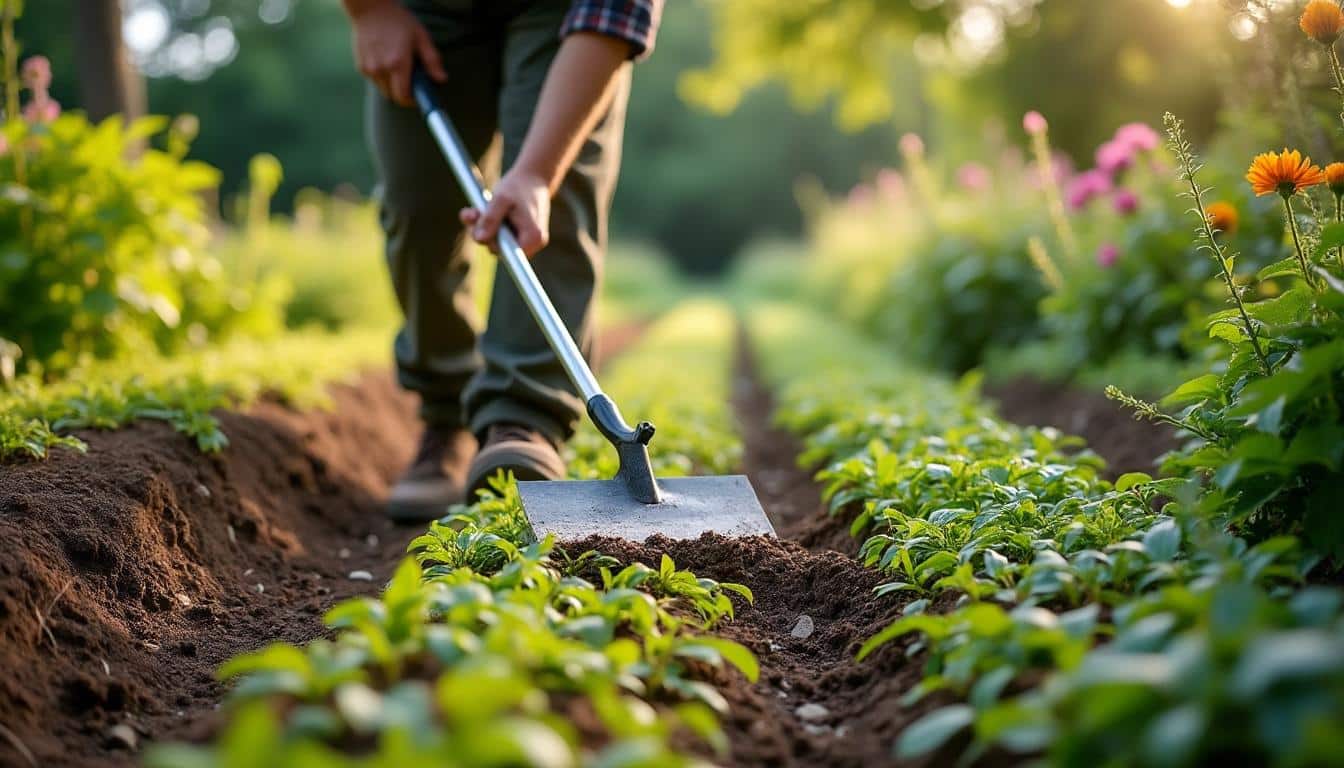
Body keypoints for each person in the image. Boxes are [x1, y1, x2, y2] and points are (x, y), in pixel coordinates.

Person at [340, 0, 663, 521]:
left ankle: (522, 418)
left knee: (553, 204)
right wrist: (370, 11)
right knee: (419, 206)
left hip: (562, 11)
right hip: (425, 7)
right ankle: (446, 413)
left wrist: (537, 174)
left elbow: (613, 15)